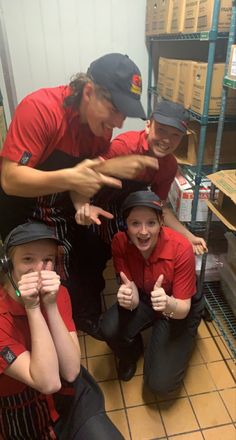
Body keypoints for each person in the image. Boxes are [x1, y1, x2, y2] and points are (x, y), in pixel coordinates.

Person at [0, 53, 158, 335]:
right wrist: (73, 177)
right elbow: (11, 179)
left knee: (86, 255)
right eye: (114, 109)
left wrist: (83, 204)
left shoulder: (100, 131)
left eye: (125, 114)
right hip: (20, 209)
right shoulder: (41, 109)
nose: (119, 122)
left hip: (58, 208)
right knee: (33, 279)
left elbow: (80, 183)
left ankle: (83, 318)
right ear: (89, 92)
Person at [73, 100, 207, 336]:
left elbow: (160, 209)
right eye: (162, 130)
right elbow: (85, 173)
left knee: (124, 264)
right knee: (90, 265)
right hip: (96, 208)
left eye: (175, 135)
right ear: (148, 125)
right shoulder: (125, 146)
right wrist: (82, 205)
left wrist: (189, 236)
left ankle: (135, 310)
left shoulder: (168, 165)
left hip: (129, 216)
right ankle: (89, 318)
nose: (167, 139)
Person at [0, 221, 124, 439]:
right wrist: (33, 307)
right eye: (28, 259)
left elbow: (70, 371)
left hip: (67, 395)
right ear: (8, 265)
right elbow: (48, 382)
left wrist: (50, 305)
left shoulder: (60, 294)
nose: (39, 270)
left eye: (47, 260)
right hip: (22, 405)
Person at [100, 191, 204, 395]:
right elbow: (133, 296)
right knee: (107, 328)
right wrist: (128, 299)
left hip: (178, 305)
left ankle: (181, 335)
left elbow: (182, 308)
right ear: (126, 226)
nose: (143, 232)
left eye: (151, 223)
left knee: (160, 384)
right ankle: (133, 351)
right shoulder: (120, 242)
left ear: (161, 222)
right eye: (135, 223)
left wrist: (168, 305)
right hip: (146, 297)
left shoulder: (181, 248)